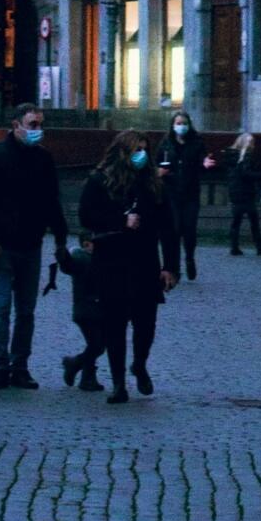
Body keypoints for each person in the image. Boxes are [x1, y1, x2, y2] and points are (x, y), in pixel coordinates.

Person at [69, 134, 179, 399]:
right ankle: (118, 382)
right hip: (111, 260)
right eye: (135, 151)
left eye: (144, 150)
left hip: (144, 260)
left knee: (145, 323)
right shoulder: (101, 180)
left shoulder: (153, 184)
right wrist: (120, 221)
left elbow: (169, 227)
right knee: (114, 324)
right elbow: (86, 216)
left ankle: (139, 364)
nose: (141, 155)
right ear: (121, 153)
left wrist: (171, 266)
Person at [0, 101, 69, 389]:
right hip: (1, 246)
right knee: (1, 307)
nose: (38, 130)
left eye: (40, 124)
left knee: (26, 311)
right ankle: (0, 366)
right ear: (16, 125)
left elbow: (52, 200)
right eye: (33, 125)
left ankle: (20, 366)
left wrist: (60, 236)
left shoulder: (43, 159)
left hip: (31, 244)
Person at [158, 109, 208, 280]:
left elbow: (202, 160)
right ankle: (175, 267)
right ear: (173, 126)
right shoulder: (166, 144)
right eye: (178, 123)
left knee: (189, 229)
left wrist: (205, 163)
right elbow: (158, 164)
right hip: (171, 192)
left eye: (184, 123)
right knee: (175, 229)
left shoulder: (196, 143)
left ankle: (189, 257)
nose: (181, 127)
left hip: (190, 192)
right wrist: (160, 173)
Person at [225, 133, 261, 257]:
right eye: (251, 142)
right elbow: (246, 173)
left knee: (237, 221)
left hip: (236, 191)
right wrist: (260, 176)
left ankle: (235, 247)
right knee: (253, 220)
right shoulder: (244, 156)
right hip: (245, 192)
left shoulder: (231, 155)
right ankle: (258, 246)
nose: (252, 145)